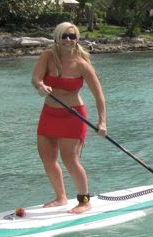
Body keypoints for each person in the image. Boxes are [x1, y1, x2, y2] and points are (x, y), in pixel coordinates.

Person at [31, 22, 107, 214]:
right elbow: (35, 79)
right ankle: (61, 197)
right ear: (57, 37)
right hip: (49, 113)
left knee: (70, 159)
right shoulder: (48, 56)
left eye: (72, 36)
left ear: (77, 39)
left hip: (73, 115)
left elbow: (99, 95)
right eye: (64, 35)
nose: (68, 39)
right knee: (47, 158)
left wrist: (102, 121)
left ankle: (84, 201)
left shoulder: (82, 65)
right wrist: (40, 86)